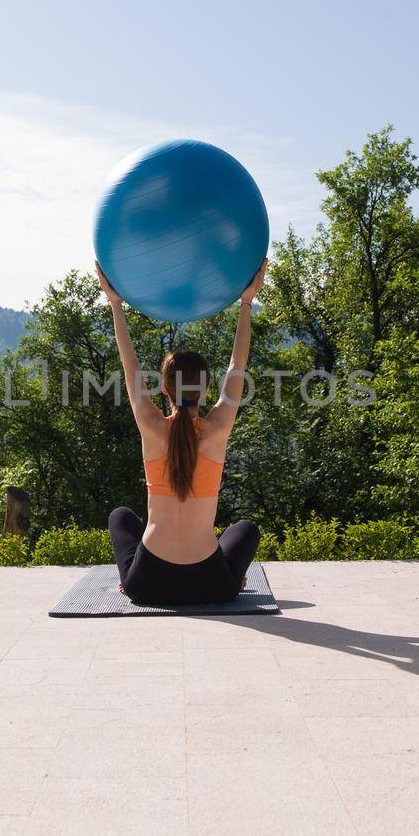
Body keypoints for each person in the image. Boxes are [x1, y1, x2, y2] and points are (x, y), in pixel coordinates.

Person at [97, 258, 265, 604]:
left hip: (146, 584)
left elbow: (129, 364)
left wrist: (115, 304)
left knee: (121, 517)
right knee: (245, 529)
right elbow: (238, 365)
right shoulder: (217, 428)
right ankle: (233, 577)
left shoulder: (152, 428)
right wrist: (246, 302)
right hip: (212, 584)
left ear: (164, 389)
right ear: (206, 390)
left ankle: (126, 580)